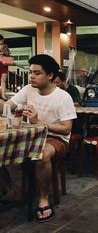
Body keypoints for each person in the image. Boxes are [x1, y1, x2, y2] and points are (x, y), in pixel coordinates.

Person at [0, 54, 77, 223]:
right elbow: (6, 107)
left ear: (50, 76)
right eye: (30, 72)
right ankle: (11, 189)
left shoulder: (63, 97)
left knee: (40, 155)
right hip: (30, 135)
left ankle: (43, 199)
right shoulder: (29, 89)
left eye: (37, 73)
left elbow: (66, 129)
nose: (31, 76)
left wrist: (38, 121)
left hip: (55, 138)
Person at [0, 35, 11, 100]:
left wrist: (5, 49)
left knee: (3, 81)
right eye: (1, 40)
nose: (2, 41)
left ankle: (3, 95)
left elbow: (8, 54)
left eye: (3, 40)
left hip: (4, 64)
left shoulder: (5, 46)